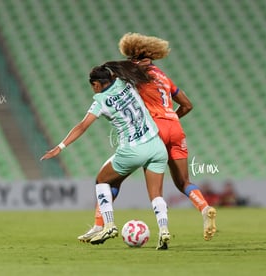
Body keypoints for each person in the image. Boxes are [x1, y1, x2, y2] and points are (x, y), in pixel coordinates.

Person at [78, 33, 217, 242]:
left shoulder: (136, 74)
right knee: (183, 182)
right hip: (176, 128)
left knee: (113, 181)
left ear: (133, 55)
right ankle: (204, 208)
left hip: (154, 132)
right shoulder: (163, 76)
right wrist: (171, 119)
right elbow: (187, 105)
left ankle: (101, 224)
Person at [41, 60, 171, 250]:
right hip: (157, 146)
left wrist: (60, 147)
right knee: (156, 195)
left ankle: (108, 225)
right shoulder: (125, 82)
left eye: (93, 87)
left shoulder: (100, 101)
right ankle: (164, 230)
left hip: (133, 150)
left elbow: (82, 126)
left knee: (102, 181)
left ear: (96, 84)